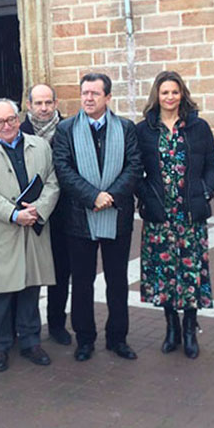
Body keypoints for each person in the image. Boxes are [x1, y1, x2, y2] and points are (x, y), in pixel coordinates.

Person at [52, 73, 141, 362]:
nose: (88, 98)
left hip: (117, 215)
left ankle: (118, 338)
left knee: (117, 281)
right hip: (79, 217)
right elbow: (63, 169)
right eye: (84, 93)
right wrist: (92, 196)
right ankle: (85, 339)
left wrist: (110, 195)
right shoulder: (66, 129)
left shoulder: (126, 128)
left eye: (94, 93)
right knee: (82, 281)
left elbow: (134, 166)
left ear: (108, 98)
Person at [0, 98, 60, 372]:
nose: (6, 125)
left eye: (11, 119)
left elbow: (53, 182)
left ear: (19, 119)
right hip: (3, 229)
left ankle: (31, 341)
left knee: (31, 288)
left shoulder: (40, 146)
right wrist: (14, 214)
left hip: (33, 226)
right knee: (0, 293)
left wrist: (39, 209)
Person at [136, 71, 214, 360]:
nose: (169, 97)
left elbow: (212, 165)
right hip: (160, 216)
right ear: (156, 96)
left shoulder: (198, 127)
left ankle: (189, 329)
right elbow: (136, 171)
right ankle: (171, 326)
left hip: (189, 216)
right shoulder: (144, 130)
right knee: (164, 275)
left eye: (174, 92)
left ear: (182, 94)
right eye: (164, 92)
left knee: (191, 274)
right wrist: (146, 197)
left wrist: (205, 191)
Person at [20, 83, 70, 346]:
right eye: (38, 103)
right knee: (28, 272)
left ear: (56, 103)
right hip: (29, 212)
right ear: (29, 105)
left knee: (61, 271)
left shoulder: (68, 129)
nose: (43, 108)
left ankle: (57, 323)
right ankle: (23, 326)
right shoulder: (18, 130)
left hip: (63, 213)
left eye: (48, 103)